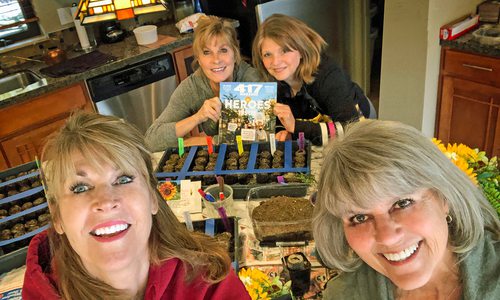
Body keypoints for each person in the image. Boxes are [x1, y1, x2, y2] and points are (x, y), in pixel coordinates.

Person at [22, 112, 250, 299]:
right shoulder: (41, 293)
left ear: (152, 197)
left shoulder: (211, 283)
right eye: (80, 187)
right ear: (57, 217)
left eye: (122, 179)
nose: (105, 201)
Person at [312, 120, 500, 299]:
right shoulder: (342, 296)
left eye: (402, 203)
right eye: (360, 217)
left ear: (444, 197)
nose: (387, 237)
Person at [252, 14, 375, 146]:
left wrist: (296, 127)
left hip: (356, 124)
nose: (275, 62)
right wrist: (285, 131)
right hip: (317, 129)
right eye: (267, 54)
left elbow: (351, 131)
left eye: (284, 51)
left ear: (301, 50)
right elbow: (281, 122)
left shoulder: (329, 77)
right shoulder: (270, 82)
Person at [146, 16, 261, 151]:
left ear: (235, 54)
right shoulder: (193, 87)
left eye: (223, 50)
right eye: (207, 52)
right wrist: (197, 117)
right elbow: (151, 140)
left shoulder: (251, 80)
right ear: (199, 59)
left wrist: (200, 141)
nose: (216, 60)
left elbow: (254, 140)